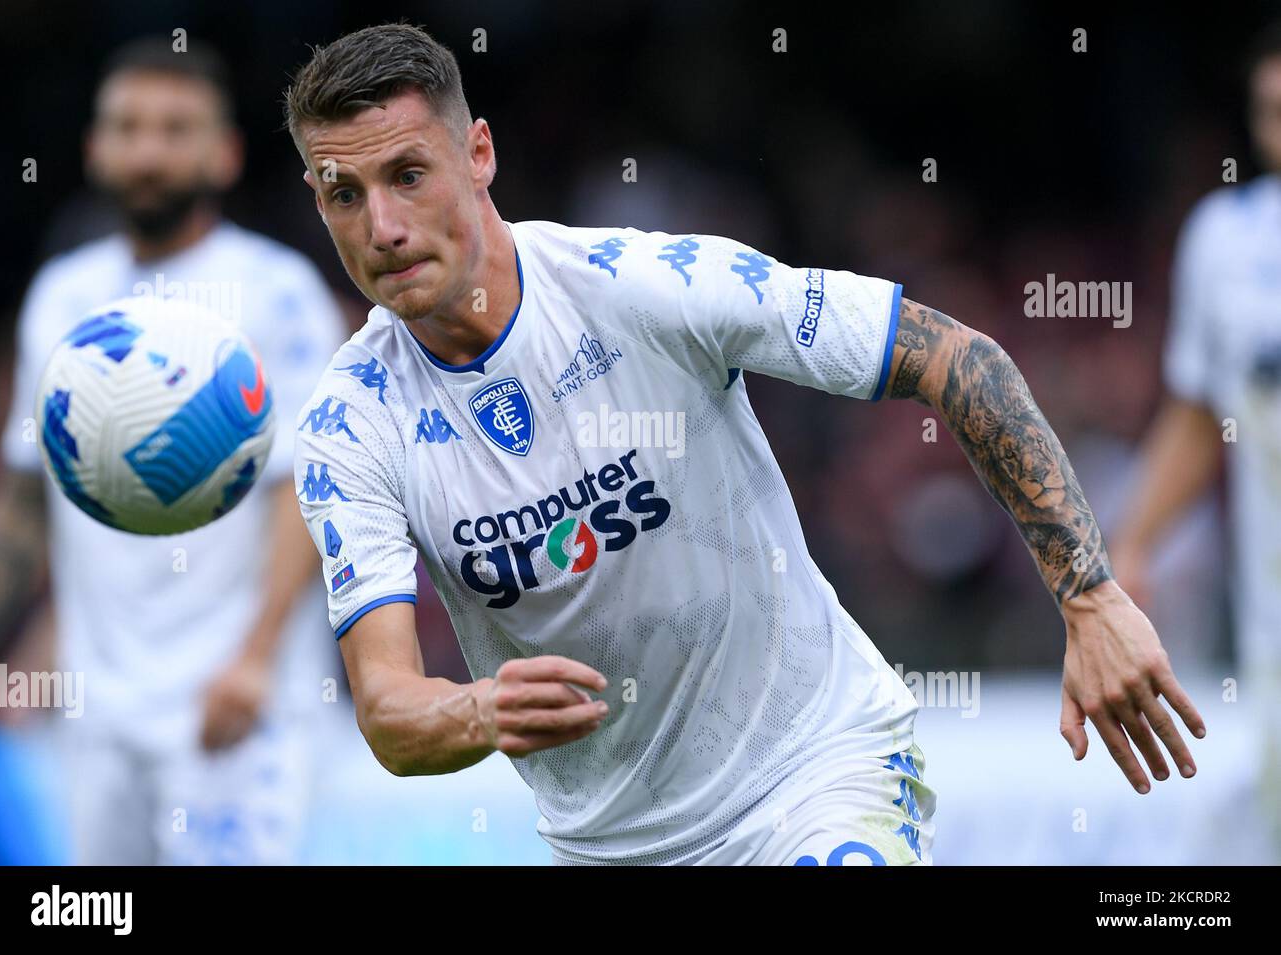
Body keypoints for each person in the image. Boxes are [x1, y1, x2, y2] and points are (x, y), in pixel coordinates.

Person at [286, 22, 1204, 866]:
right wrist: (476, 708)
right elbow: (387, 708)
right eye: (343, 194)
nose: (383, 228)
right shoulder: (348, 424)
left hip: (814, 774)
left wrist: (1089, 598)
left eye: (408, 174)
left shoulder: (647, 286)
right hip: (609, 845)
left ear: (478, 152)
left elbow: (955, 358)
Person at [0, 37, 345, 864]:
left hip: (239, 703)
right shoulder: (61, 294)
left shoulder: (276, 289)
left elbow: (305, 489)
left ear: (224, 154)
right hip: (99, 708)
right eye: (128, 126)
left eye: (176, 128)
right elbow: (26, 496)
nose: (149, 149)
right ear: (95, 149)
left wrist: (253, 661)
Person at [1112, 23, 1281, 856]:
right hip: (1272, 618)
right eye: (1270, 112)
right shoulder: (1226, 238)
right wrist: (1133, 547)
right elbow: (1195, 414)